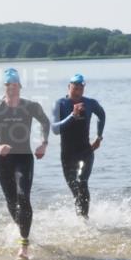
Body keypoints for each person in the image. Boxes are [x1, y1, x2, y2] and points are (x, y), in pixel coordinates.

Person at [0, 68, 50, 260]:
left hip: (24, 158)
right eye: (9, 85)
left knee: (22, 196)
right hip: (3, 161)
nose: (12, 88)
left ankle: (24, 245)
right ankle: (24, 229)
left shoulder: (30, 106)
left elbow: (45, 122)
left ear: (20, 86)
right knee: (11, 202)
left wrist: (43, 143)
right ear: (4, 87)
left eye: (15, 85)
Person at [51, 73, 105, 218]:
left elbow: (102, 115)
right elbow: (55, 129)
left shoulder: (90, 103)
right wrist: (72, 116)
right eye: (75, 87)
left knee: (82, 183)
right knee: (75, 189)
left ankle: (84, 220)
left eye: (81, 88)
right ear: (69, 87)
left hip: (85, 152)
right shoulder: (60, 104)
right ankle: (80, 216)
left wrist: (99, 136)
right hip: (67, 154)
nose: (78, 91)